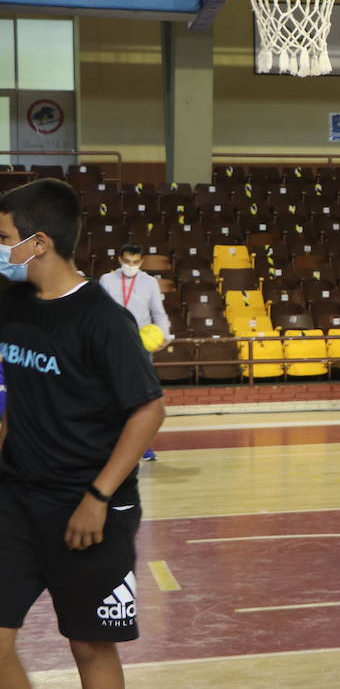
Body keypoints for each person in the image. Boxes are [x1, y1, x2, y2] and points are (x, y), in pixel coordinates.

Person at [0, 178, 167, 686]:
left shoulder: (103, 321)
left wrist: (98, 496)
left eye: (5, 238)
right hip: (17, 500)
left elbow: (148, 411)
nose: (1, 249)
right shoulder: (12, 301)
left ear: (40, 243)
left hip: (88, 507)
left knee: (90, 645)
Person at [97, 244, 170, 462]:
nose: (131, 266)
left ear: (141, 262)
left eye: (135, 262)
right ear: (119, 259)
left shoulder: (149, 283)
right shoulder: (106, 280)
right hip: (112, 346)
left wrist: (164, 337)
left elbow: (159, 313)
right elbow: (98, 314)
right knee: (110, 398)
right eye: (127, 261)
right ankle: (108, 446)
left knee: (142, 400)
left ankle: (143, 447)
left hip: (141, 347)